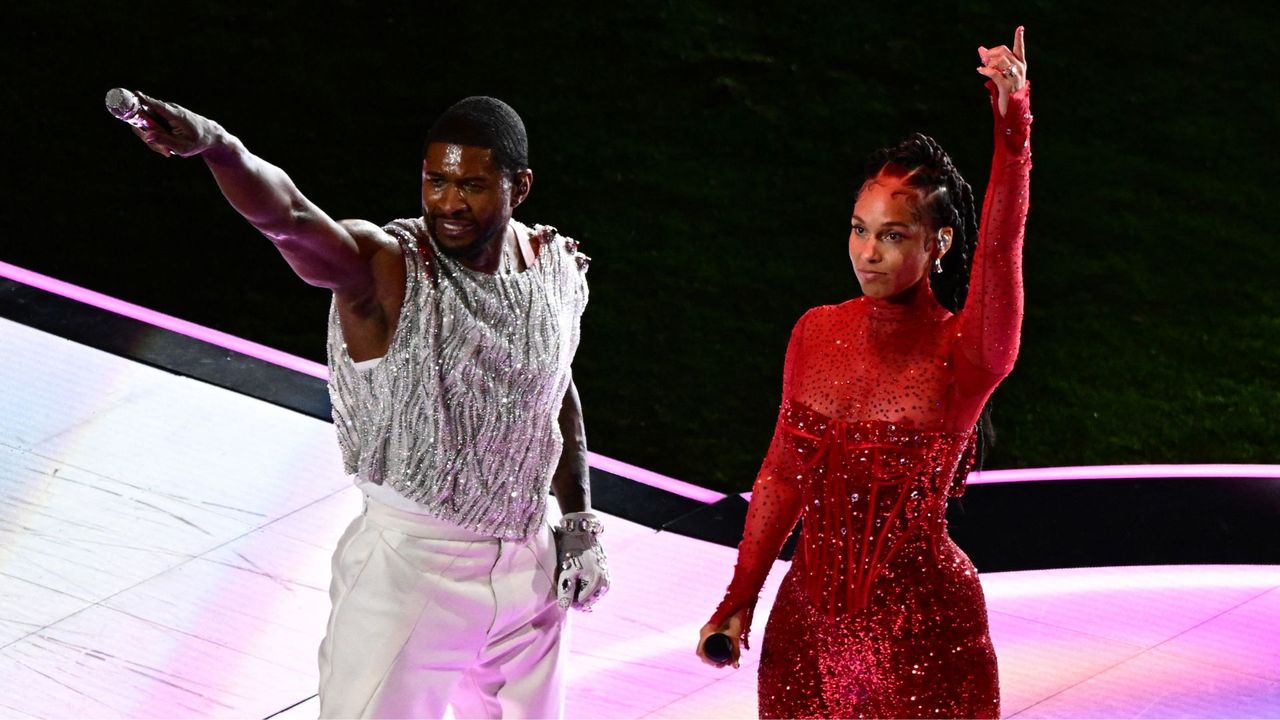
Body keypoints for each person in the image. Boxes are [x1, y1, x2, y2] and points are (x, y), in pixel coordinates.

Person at [115, 93, 608, 719]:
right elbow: (289, 217)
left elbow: (552, 388)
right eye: (436, 181)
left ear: (521, 186)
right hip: (411, 569)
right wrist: (218, 147)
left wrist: (579, 523)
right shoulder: (385, 270)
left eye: (473, 186)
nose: (449, 204)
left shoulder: (552, 267)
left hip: (530, 567)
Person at [696, 27, 1031, 719]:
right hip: (806, 637)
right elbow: (782, 476)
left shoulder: (968, 353)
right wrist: (739, 600)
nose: (868, 252)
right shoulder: (816, 332)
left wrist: (1013, 135)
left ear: (939, 242)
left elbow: (1000, 249)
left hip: (925, 641)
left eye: (892, 234)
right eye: (859, 228)